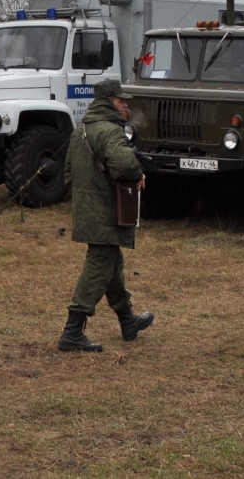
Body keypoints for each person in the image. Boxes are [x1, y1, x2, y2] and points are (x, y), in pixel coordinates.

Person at [58, 77, 154, 352]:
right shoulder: (110, 131)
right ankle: (72, 332)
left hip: (86, 210)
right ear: (106, 102)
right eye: (120, 100)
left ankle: (128, 321)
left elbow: (68, 173)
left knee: (111, 261)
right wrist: (138, 174)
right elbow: (124, 163)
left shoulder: (81, 130)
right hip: (107, 209)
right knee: (98, 265)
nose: (125, 105)